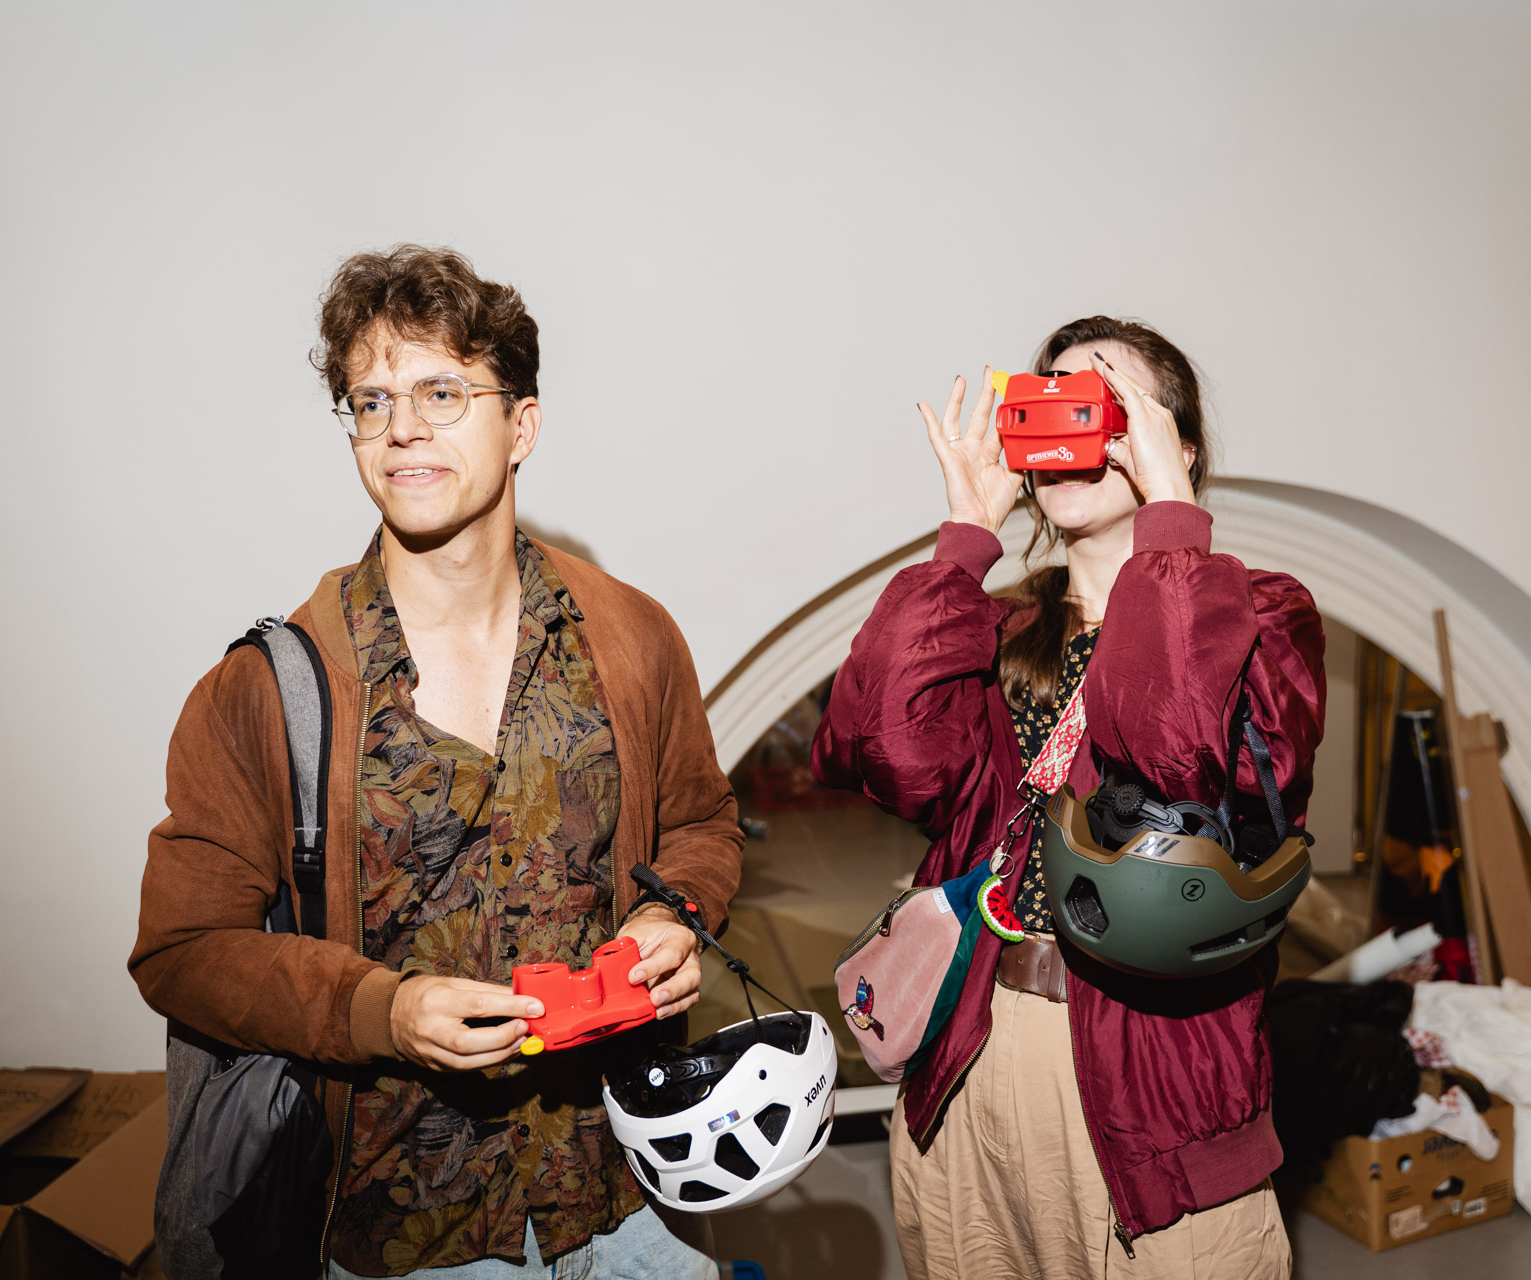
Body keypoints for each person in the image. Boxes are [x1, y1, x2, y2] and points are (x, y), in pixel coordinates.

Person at [130, 246, 739, 1279]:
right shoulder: (267, 691)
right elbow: (183, 950)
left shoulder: (631, 638)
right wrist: (384, 1010)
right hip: (401, 1236)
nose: (402, 426)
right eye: (371, 401)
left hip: (624, 1198)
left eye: (442, 392)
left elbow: (700, 823)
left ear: (522, 425)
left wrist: (671, 913)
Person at [813, 316, 1325, 1279]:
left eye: (1105, 405)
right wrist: (964, 541)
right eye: (1049, 401)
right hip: (971, 1047)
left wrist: (1171, 530)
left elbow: (1175, 756)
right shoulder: (1001, 629)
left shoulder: (1263, 614)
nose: (1071, 427)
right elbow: (887, 756)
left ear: (1180, 446)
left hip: (1152, 1075)